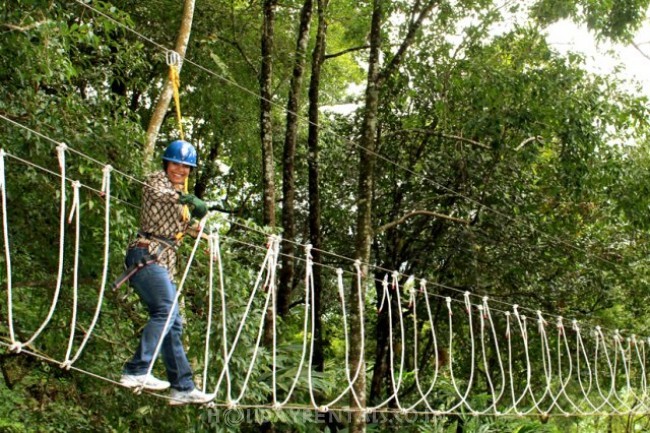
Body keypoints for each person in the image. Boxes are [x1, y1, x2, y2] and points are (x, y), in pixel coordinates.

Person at [119, 139, 212, 406]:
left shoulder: (180, 199)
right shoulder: (156, 182)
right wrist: (188, 198)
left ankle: (182, 387)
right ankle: (136, 370)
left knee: (174, 323)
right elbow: (160, 196)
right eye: (175, 164)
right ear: (166, 163)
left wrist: (202, 232)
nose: (180, 170)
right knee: (167, 312)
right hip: (145, 255)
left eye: (185, 167)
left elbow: (184, 226)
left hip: (162, 263)